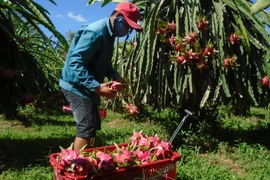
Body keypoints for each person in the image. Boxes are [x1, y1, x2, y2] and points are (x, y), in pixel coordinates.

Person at [59, 2, 143, 151]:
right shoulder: (96, 32)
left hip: (86, 85)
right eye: (128, 26)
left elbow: (103, 63)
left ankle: (88, 162)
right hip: (76, 85)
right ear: (118, 18)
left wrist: (116, 76)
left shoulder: (109, 35)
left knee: (92, 126)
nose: (128, 31)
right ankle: (76, 167)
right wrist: (96, 87)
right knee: (86, 129)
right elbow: (75, 62)